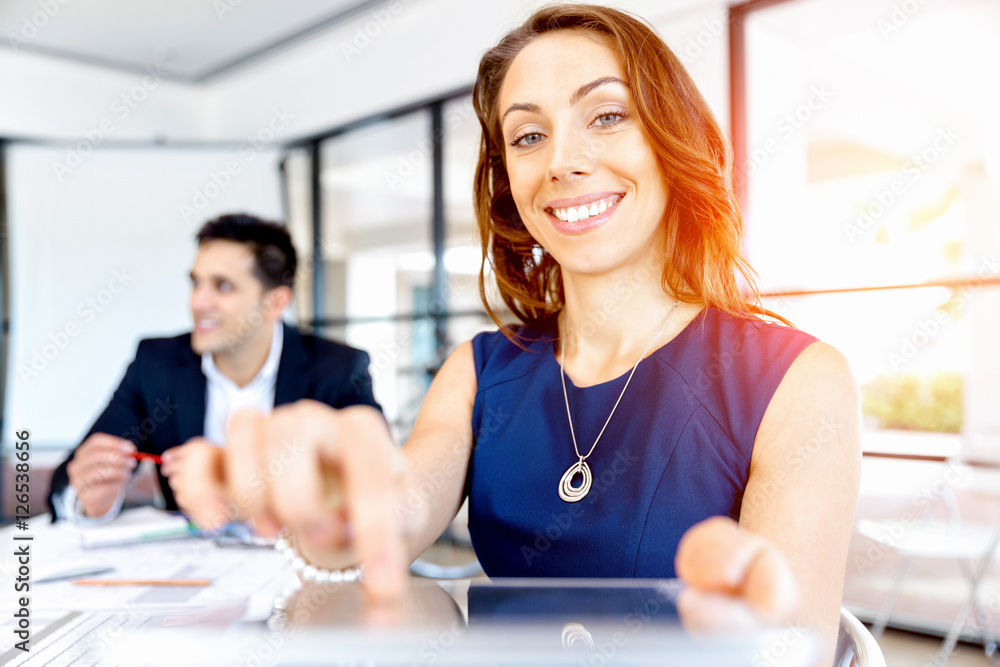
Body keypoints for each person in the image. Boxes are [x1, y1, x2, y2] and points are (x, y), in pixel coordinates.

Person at [169, 4, 860, 657]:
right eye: (529, 136)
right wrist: (334, 500)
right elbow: (400, 508)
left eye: (607, 116)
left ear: (670, 137)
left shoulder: (796, 380)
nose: (562, 161)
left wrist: (741, 642)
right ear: (508, 180)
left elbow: (788, 649)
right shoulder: (481, 369)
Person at [47, 213, 380, 523]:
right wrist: (90, 502)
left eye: (222, 286)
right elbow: (67, 483)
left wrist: (228, 477)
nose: (198, 303)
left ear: (275, 302)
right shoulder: (156, 364)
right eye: (196, 283)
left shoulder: (338, 369)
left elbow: (378, 487)